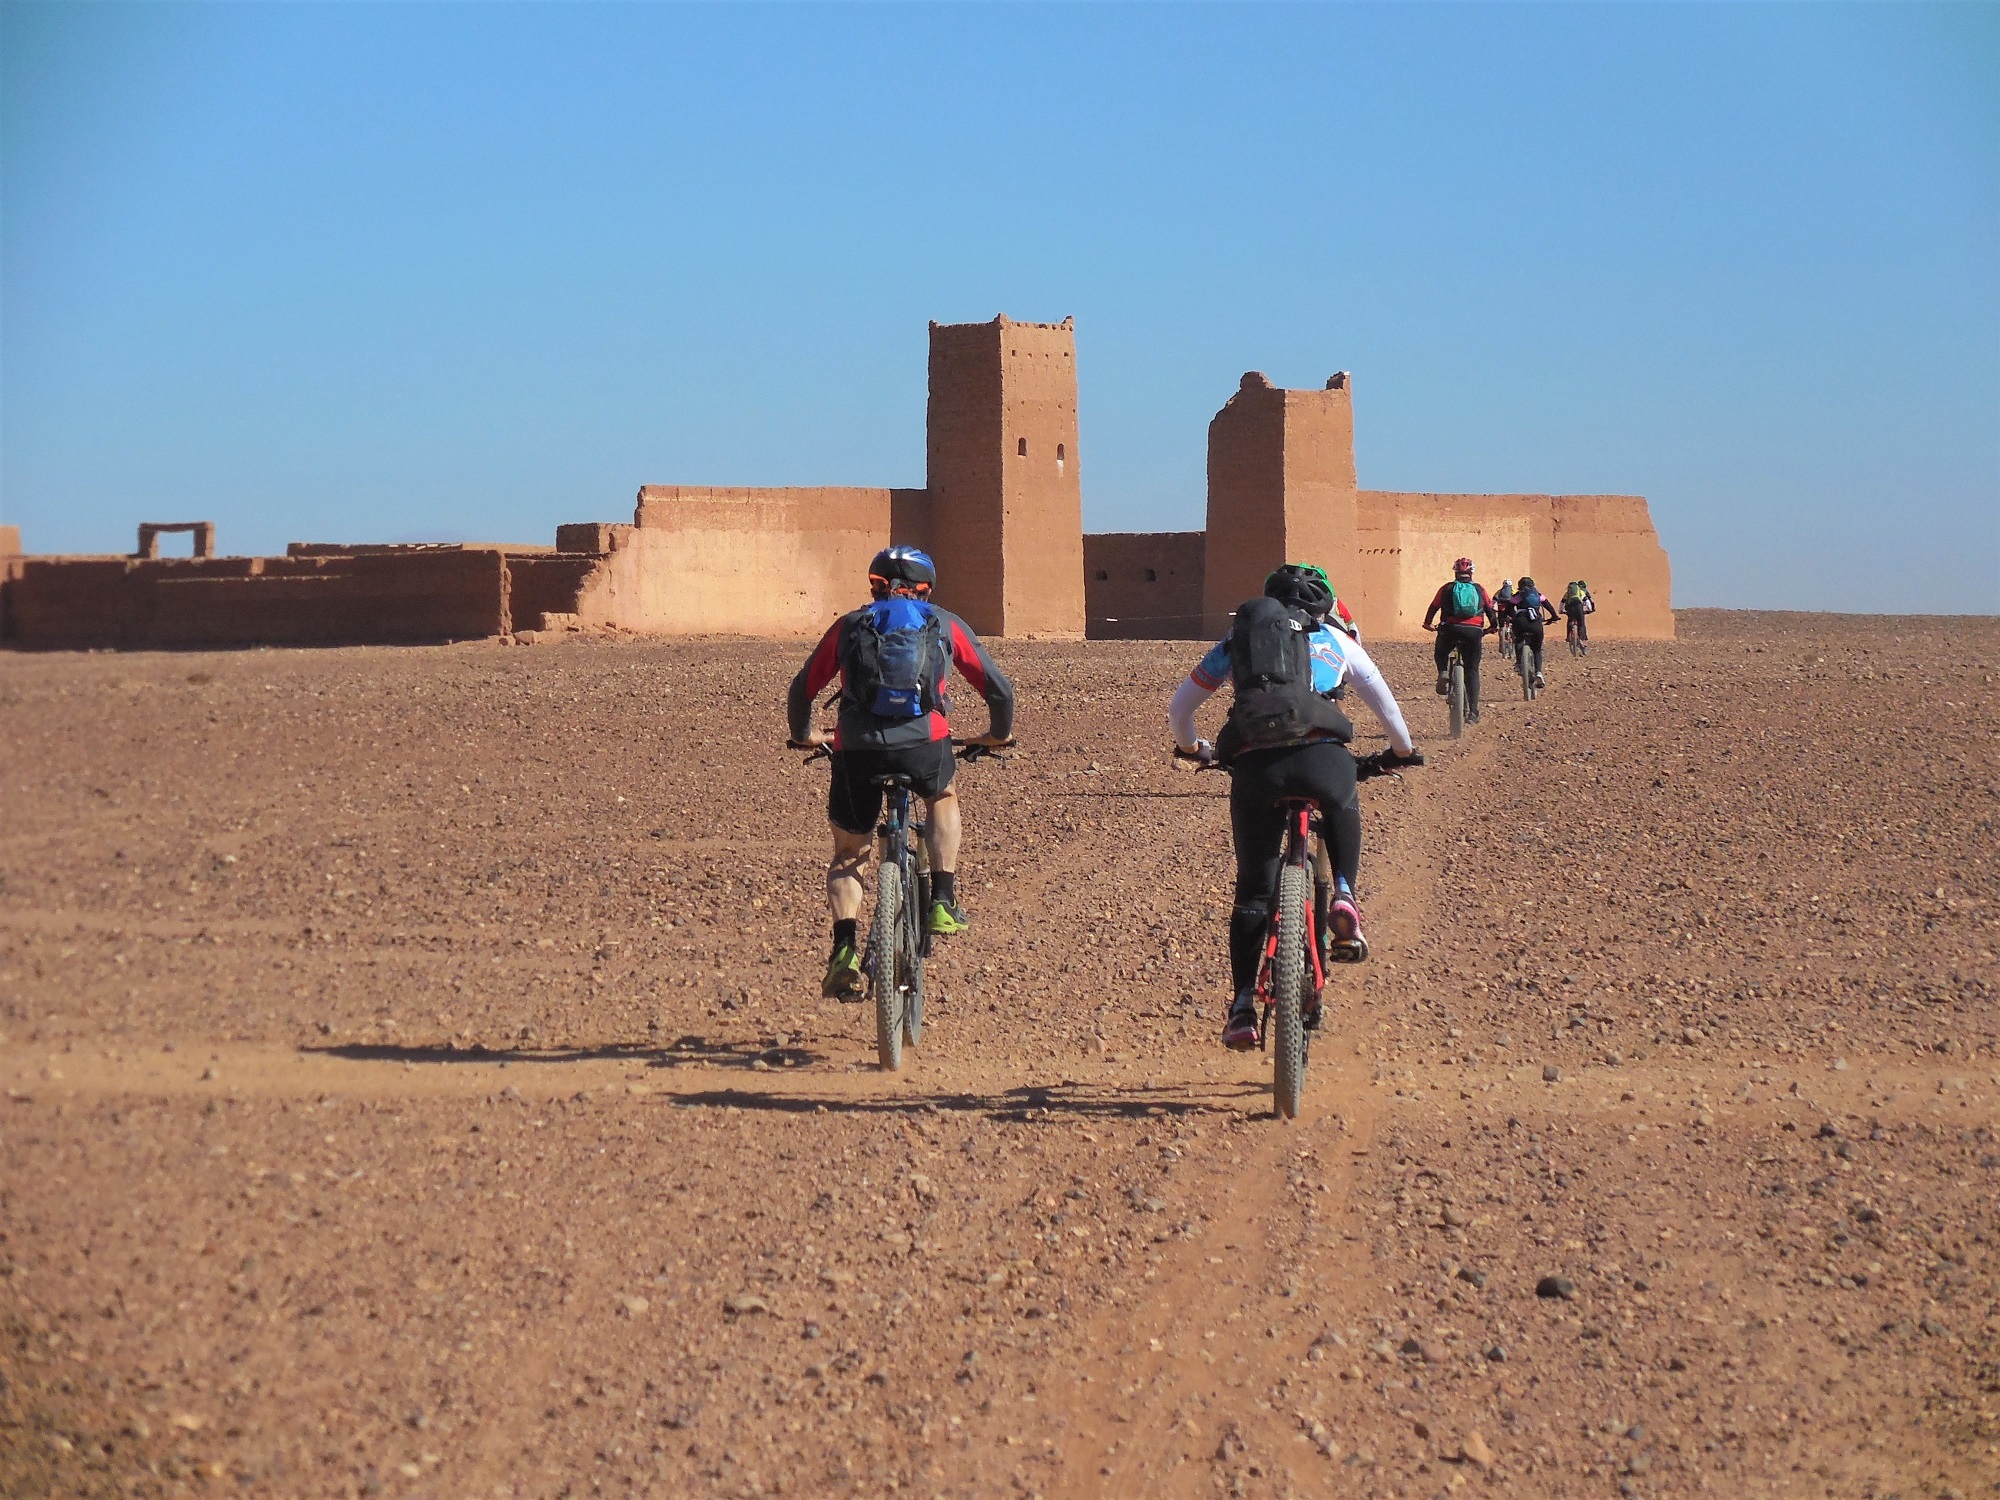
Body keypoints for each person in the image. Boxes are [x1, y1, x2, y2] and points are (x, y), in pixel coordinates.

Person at [1169, 563, 1422, 1050]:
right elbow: (1387, 708)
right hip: (1322, 761)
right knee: (1343, 801)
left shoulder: (1238, 640)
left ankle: (1243, 1004)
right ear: (1325, 607)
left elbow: (1180, 709)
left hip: (1254, 767)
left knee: (1253, 892)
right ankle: (1345, 893)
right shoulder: (1338, 641)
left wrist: (1190, 748)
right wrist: (1401, 752)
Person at [787, 546, 1015, 1000]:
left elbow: (802, 689)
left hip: (857, 749)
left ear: (874, 584)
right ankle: (944, 900)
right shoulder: (944, 623)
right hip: (924, 745)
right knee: (943, 797)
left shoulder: (851, 625)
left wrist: (806, 735)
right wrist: (996, 736)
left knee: (850, 853)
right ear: (927, 587)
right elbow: (999, 690)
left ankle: (844, 950)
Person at [1421, 557, 1498, 723]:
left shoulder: (1446, 588)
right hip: (1474, 631)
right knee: (1472, 670)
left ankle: (1442, 671)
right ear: (1471, 572)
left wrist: (1427, 624)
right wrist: (1493, 627)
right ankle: (1473, 712)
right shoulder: (1479, 589)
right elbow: (1490, 609)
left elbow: (1433, 607)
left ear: (1455, 571)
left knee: (1441, 650)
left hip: (1449, 629)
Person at [1508, 576, 1560, 689]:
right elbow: (1549, 607)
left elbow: (1509, 608)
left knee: (1517, 640)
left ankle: (1518, 663)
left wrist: (1512, 618)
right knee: (1537, 649)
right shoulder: (1538, 595)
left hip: (1521, 622)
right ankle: (1539, 673)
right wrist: (1554, 617)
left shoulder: (1518, 595)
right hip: (1536, 623)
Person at [1562, 580, 1595, 651]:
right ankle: (1582, 639)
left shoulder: (1568, 593)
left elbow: (1562, 603)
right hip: (1579, 608)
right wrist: (1590, 609)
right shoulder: (1582, 592)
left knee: (1570, 621)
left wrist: (1561, 611)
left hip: (1570, 608)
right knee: (1581, 624)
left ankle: (1568, 636)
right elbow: (1588, 601)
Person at [1492, 579, 1517, 661]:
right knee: (1515, 625)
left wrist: (1493, 609)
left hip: (1501, 611)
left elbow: (1493, 601)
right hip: (1511, 611)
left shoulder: (1499, 591)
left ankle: (1501, 643)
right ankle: (1514, 637)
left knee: (1501, 626)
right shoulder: (1514, 591)